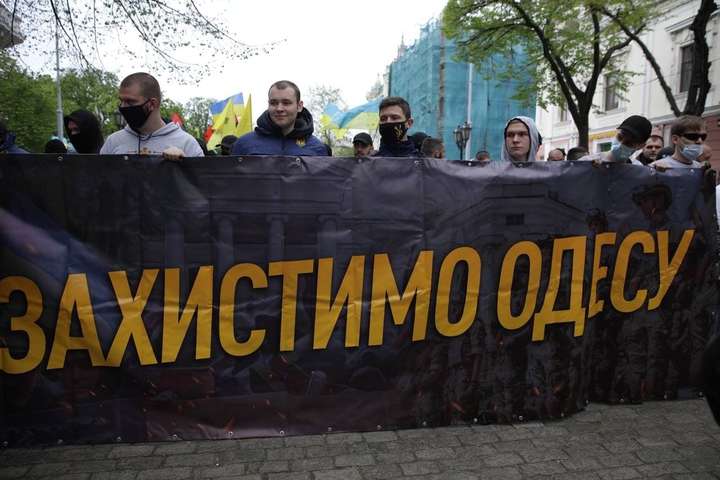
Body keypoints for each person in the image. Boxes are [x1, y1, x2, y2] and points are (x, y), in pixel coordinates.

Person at [100, 72, 204, 158]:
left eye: (130, 102)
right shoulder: (113, 141)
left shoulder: (186, 143)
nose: (123, 107)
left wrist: (185, 164)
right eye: (121, 101)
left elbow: (200, 177)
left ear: (152, 104)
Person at [232, 80, 327, 156]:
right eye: (273, 103)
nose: (279, 109)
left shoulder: (317, 148)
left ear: (299, 106)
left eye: (286, 103)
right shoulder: (243, 145)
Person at [580, 115, 652, 164]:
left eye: (628, 143)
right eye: (619, 137)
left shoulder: (637, 170)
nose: (620, 145)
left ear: (641, 146)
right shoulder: (587, 162)